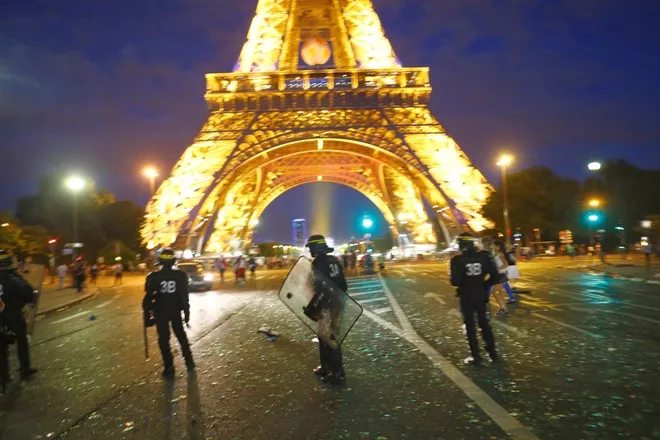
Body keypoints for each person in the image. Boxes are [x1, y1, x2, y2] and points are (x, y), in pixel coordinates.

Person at [142, 248, 195, 378]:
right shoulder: (181, 276)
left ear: (160, 261)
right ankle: (189, 362)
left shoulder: (153, 277)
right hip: (175, 311)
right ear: (173, 261)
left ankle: (169, 367)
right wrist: (187, 314)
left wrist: (147, 315)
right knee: (181, 337)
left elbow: (148, 298)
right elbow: (184, 297)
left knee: (164, 340)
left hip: (161, 313)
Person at [450, 233, 500, 366]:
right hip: (481, 294)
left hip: (466, 295)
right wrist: (484, 285)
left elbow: (455, 281)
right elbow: (496, 276)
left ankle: (476, 355)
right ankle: (492, 353)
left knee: (470, 326)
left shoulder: (457, 260)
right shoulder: (485, 256)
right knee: (484, 324)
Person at [304, 235, 347, 385]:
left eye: (310, 248)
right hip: (338, 303)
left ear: (315, 248)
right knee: (327, 336)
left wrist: (312, 307)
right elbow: (343, 284)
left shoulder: (318, 262)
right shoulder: (334, 260)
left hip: (326, 305)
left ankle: (336, 371)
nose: (309, 250)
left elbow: (321, 288)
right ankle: (328, 367)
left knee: (328, 338)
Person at [0, 249, 38, 382]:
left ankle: (4, 375)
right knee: (22, 340)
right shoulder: (14, 277)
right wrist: (31, 300)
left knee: (1, 345)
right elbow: (27, 292)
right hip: (14, 315)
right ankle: (24, 368)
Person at [492, 240, 516, 306]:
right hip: (499, 274)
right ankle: (505, 306)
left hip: (502, 274)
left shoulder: (501, 254)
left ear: (498, 247)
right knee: (501, 290)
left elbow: (506, 264)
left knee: (494, 291)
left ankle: (505, 305)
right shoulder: (495, 254)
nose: (493, 247)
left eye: (494, 246)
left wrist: (498, 268)